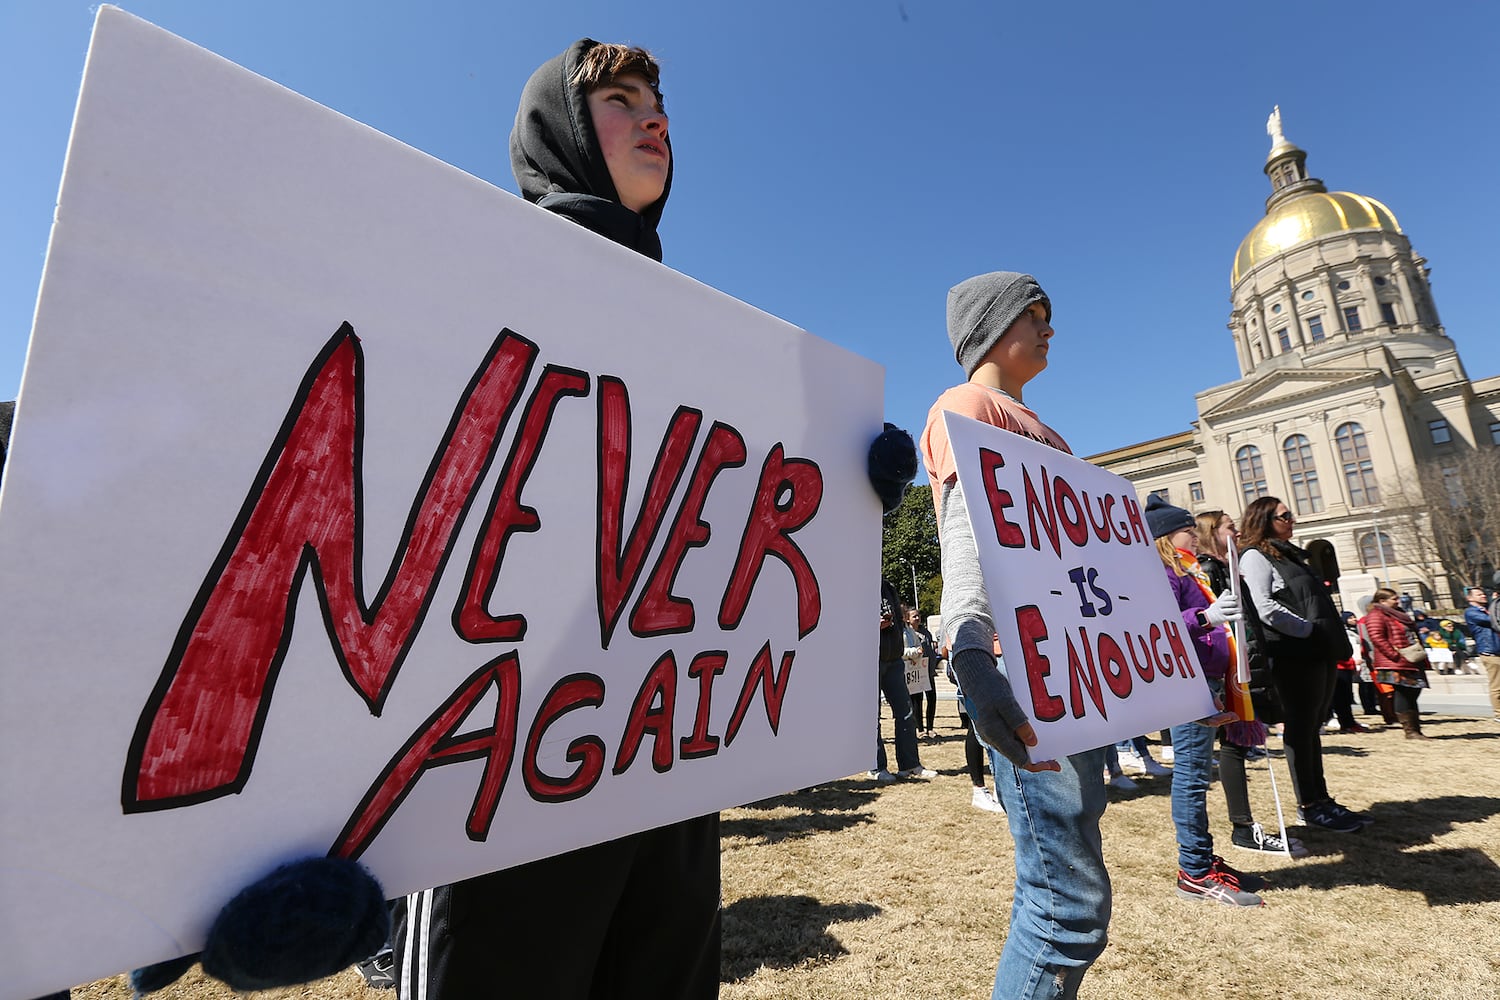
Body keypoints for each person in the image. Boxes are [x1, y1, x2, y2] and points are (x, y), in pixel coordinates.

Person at [393, 39, 921, 1000]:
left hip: (659, 759)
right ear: (558, 128)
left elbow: (725, 529)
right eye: (622, 100)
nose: (656, 119)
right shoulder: (470, 277)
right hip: (501, 775)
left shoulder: (703, 332)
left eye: (661, 103)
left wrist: (842, 503)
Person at [920, 271, 1110, 998]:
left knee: (1076, 894)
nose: (1049, 327)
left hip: (1078, 664)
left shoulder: (1048, 431)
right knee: (1068, 909)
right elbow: (967, 533)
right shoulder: (964, 405)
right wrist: (968, 646)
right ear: (993, 326)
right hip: (1026, 672)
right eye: (1035, 314)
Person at [1142, 497, 1266, 905]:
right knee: (1193, 777)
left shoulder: (1187, 571)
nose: (1196, 536)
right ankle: (1194, 870)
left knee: (1196, 776)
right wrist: (1206, 618)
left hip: (1205, 677)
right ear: (1166, 536)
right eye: (1188, 531)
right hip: (1186, 680)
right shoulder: (1163, 571)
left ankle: (1201, 860)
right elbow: (1156, 625)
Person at [1238, 497, 1370, 835]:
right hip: (1293, 653)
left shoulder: (1289, 553)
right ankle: (1309, 805)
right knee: (1300, 727)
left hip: (1317, 650)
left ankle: (1322, 799)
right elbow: (1263, 605)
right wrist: (1307, 630)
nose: (1291, 519)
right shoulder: (1255, 556)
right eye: (1285, 515)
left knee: (1313, 726)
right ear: (1265, 520)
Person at [1192, 510, 1306, 857]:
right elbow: (1216, 626)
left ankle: (1243, 826)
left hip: (1244, 663)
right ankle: (1241, 828)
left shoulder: (1230, 568)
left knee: (1237, 744)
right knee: (1230, 745)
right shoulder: (1208, 571)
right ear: (1213, 532)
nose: (1237, 530)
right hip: (1226, 669)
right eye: (1229, 525)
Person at [874, 580, 935, 780]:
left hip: (894, 659)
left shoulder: (889, 587)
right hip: (870, 660)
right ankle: (876, 767)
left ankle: (909, 765)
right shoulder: (856, 584)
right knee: (872, 717)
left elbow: (900, 620)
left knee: (906, 712)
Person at [1363, 588, 1431, 739]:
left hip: (1410, 659)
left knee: (1413, 692)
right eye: (1394, 599)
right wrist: (1394, 655)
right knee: (1403, 693)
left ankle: (1415, 729)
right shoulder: (1376, 615)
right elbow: (1377, 637)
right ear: (1382, 601)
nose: (1397, 601)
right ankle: (1411, 731)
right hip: (1394, 661)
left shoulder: (1398, 613)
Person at [1463, 587, 1500, 721]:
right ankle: (1498, 713)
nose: (1483, 596)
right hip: (1490, 651)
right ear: (1470, 598)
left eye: (1484, 593)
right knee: (1497, 685)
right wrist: (1496, 601)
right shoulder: (1471, 612)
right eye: (1479, 594)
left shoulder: (1488, 609)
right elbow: (1493, 619)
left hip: (1497, 650)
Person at [908, 608, 940, 738]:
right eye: (914, 616)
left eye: (918, 616)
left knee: (932, 698)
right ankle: (920, 729)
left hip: (928, 671)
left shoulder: (926, 632)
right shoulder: (908, 633)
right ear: (908, 619)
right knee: (917, 701)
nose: (917, 618)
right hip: (915, 672)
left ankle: (930, 728)